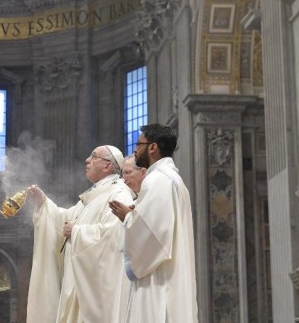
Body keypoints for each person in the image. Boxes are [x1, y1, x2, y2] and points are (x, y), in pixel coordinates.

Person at [26, 145, 134, 323]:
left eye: (93, 157)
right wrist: (44, 203)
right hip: (78, 283)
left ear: (107, 166)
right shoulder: (94, 195)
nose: (87, 160)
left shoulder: (119, 194)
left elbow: (113, 236)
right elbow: (66, 220)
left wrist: (76, 232)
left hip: (97, 291)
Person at [109, 124, 198, 323]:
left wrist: (128, 218)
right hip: (170, 275)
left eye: (138, 144)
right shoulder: (173, 180)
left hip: (158, 282)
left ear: (152, 147)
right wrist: (137, 213)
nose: (134, 149)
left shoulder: (157, 180)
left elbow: (152, 235)